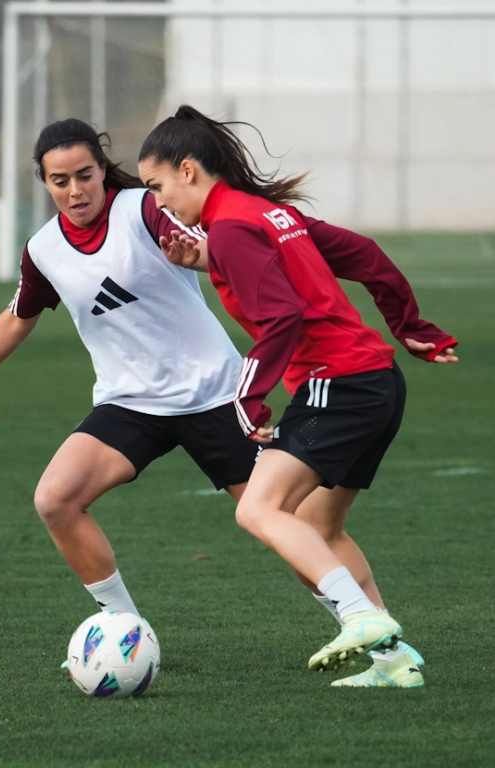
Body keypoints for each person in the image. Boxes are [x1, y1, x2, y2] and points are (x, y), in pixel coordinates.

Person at [138, 105, 458, 687]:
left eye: (157, 186)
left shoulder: (231, 226)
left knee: (257, 508)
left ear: (188, 170)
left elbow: (281, 315)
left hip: (336, 385)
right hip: (376, 382)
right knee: (319, 529)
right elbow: (365, 255)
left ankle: (362, 617)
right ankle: (393, 661)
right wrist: (411, 326)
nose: (158, 202)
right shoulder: (265, 215)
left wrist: (250, 400)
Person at [0, 118, 259, 629]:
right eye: (60, 180)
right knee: (56, 499)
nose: (75, 190)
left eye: (84, 174)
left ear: (103, 170)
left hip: (211, 392)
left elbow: (211, 249)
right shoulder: (43, 250)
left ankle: (372, 632)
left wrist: (203, 256)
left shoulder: (145, 209)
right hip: (130, 404)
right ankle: (122, 627)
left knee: (279, 521)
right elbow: (19, 315)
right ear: (45, 183)